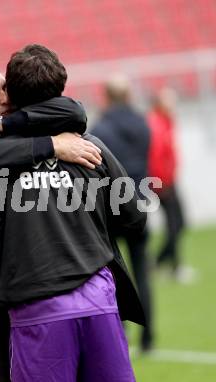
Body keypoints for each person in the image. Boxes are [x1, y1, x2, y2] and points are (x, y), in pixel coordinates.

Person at [0, 44, 146, 382]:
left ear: (15, 96)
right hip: (98, 296)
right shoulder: (89, 146)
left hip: (37, 307)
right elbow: (135, 219)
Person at [91, 73, 154, 352]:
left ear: (107, 96)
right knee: (142, 272)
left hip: (111, 210)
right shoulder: (143, 123)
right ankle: (149, 336)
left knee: (115, 274)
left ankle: (121, 333)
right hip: (139, 204)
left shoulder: (100, 130)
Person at [148, 87, 190, 282]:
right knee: (175, 223)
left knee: (178, 223)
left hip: (168, 181)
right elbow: (155, 157)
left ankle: (159, 262)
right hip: (163, 184)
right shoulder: (156, 124)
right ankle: (173, 267)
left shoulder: (165, 122)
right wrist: (161, 184)